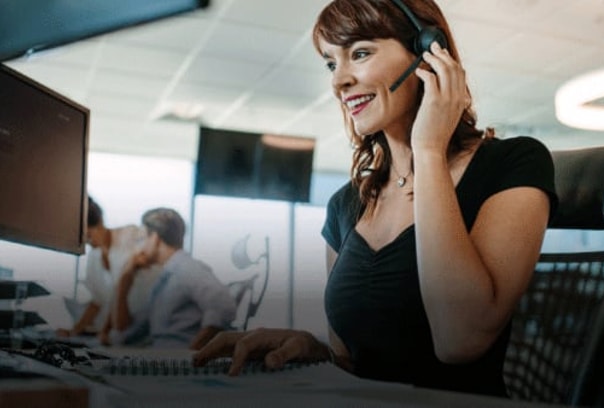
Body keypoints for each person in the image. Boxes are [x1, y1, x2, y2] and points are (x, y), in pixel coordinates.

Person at [194, 0, 557, 398]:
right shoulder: (345, 204)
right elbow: (352, 361)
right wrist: (310, 349)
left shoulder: (513, 162)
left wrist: (429, 151)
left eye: (360, 53)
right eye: (332, 64)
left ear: (428, 53)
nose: (338, 82)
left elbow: (460, 341)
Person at [108, 207, 237, 349]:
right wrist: (124, 282)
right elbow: (127, 331)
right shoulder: (165, 279)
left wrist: (191, 356)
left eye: (142, 239)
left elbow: (223, 307)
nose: (139, 247)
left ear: (155, 238)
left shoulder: (187, 268)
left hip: (177, 362)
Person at [56, 196, 160, 340]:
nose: (88, 242)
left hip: (143, 325)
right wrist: (74, 332)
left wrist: (105, 331)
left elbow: (151, 259)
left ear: (100, 223)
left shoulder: (132, 235)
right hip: (115, 332)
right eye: (84, 238)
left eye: (89, 235)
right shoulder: (93, 258)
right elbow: (97, 301)